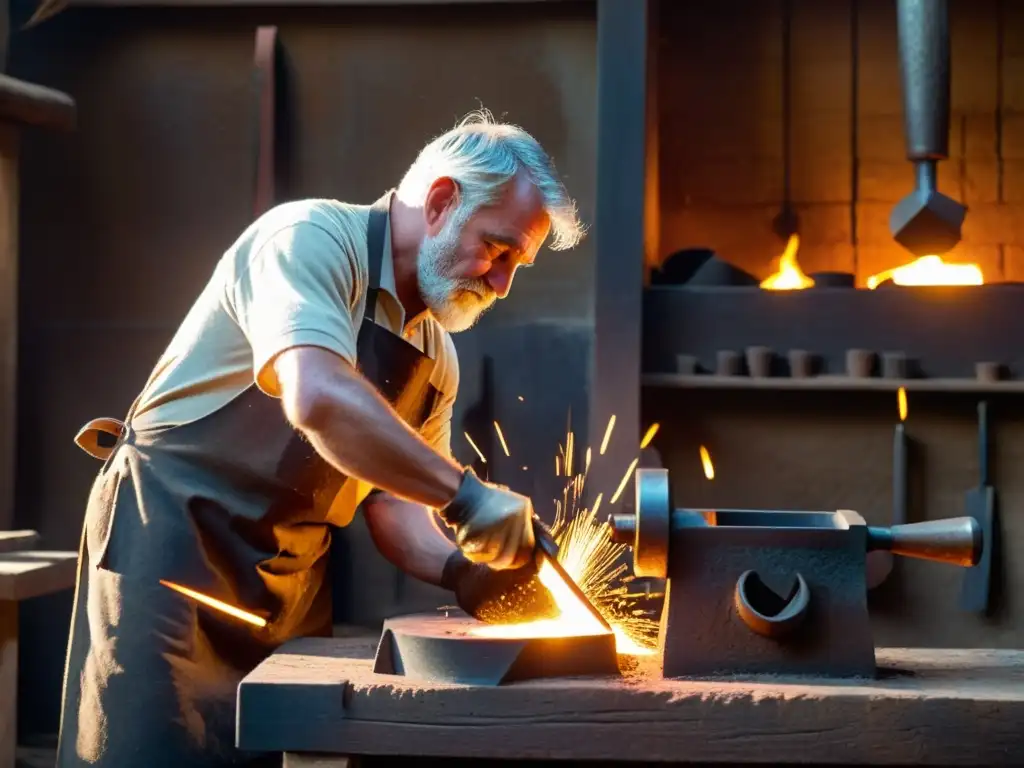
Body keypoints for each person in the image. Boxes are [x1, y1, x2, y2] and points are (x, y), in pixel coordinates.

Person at [56, 110, 585, 767]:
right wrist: (470, 498)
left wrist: (469, 572)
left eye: (518, 265)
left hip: (289, 591)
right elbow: (318, 396)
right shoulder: (307, 239)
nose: (502, 282)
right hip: (168, 559)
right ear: (443, 201)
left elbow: (396, 507)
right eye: (498, 248)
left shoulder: (434, 355)